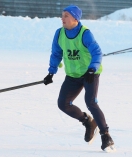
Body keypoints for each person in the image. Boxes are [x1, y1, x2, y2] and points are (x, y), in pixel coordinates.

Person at [43, 5, 114, 152]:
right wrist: (51, 72)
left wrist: (92, 69)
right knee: (63, 104)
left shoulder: (85, 33)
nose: (62, 18)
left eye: (66, 16)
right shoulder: (59, 33)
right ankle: (88, 122)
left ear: (75, 18)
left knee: (91, 102)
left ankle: (106, 136)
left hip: (90, 73)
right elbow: (56, 54)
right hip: (73, 75)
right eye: (62, 15)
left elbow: (97, 52)